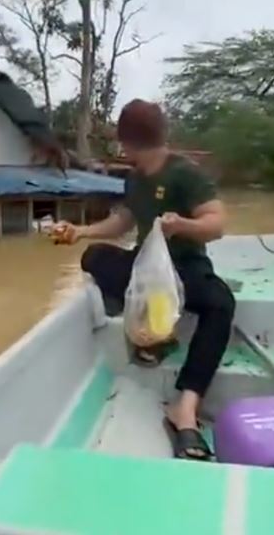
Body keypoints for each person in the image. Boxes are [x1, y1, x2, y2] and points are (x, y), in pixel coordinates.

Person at [53, 99, 235, 461]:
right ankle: (149, 328)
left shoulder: (185, 174)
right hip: (145, 267)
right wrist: (81, 231)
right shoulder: (135, 179)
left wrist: (182, 225)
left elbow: (217, 224)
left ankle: (185, 405)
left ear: (126, 143)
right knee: (94, 257)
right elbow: (123, 221)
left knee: (221, 304)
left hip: (183, 266)